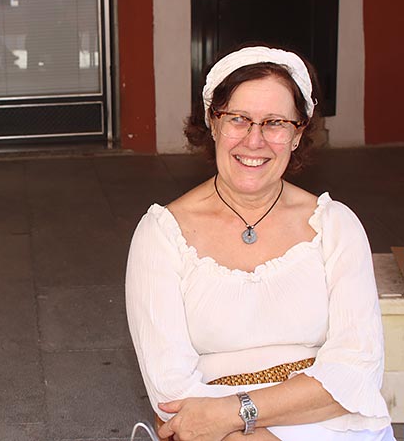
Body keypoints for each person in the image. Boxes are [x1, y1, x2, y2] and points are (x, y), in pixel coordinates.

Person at [125, 46, 394, 441]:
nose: (254, 140)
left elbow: (357, 370)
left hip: (335, 425)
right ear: (213, 123)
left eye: (275, 123)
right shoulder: (162, 234)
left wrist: (237, 412)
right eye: (238, 119)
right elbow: (172, 393)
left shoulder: (336, 225)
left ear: (297, 134)